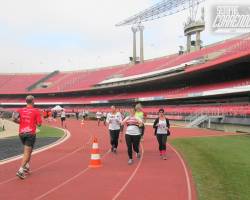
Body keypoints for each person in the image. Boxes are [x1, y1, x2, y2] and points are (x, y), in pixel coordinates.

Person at [13, 95, 42, 179]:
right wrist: (33, 122)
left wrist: (21, 122)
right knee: (27, 152)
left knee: (29, 151)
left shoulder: (20, 110)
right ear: (33, 101)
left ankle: (26, 166)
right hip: (30, 134)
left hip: (21, 134)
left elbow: (14, 118)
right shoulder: (36, 111)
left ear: (26, 101)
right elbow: (39, 124)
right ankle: (21, 170)